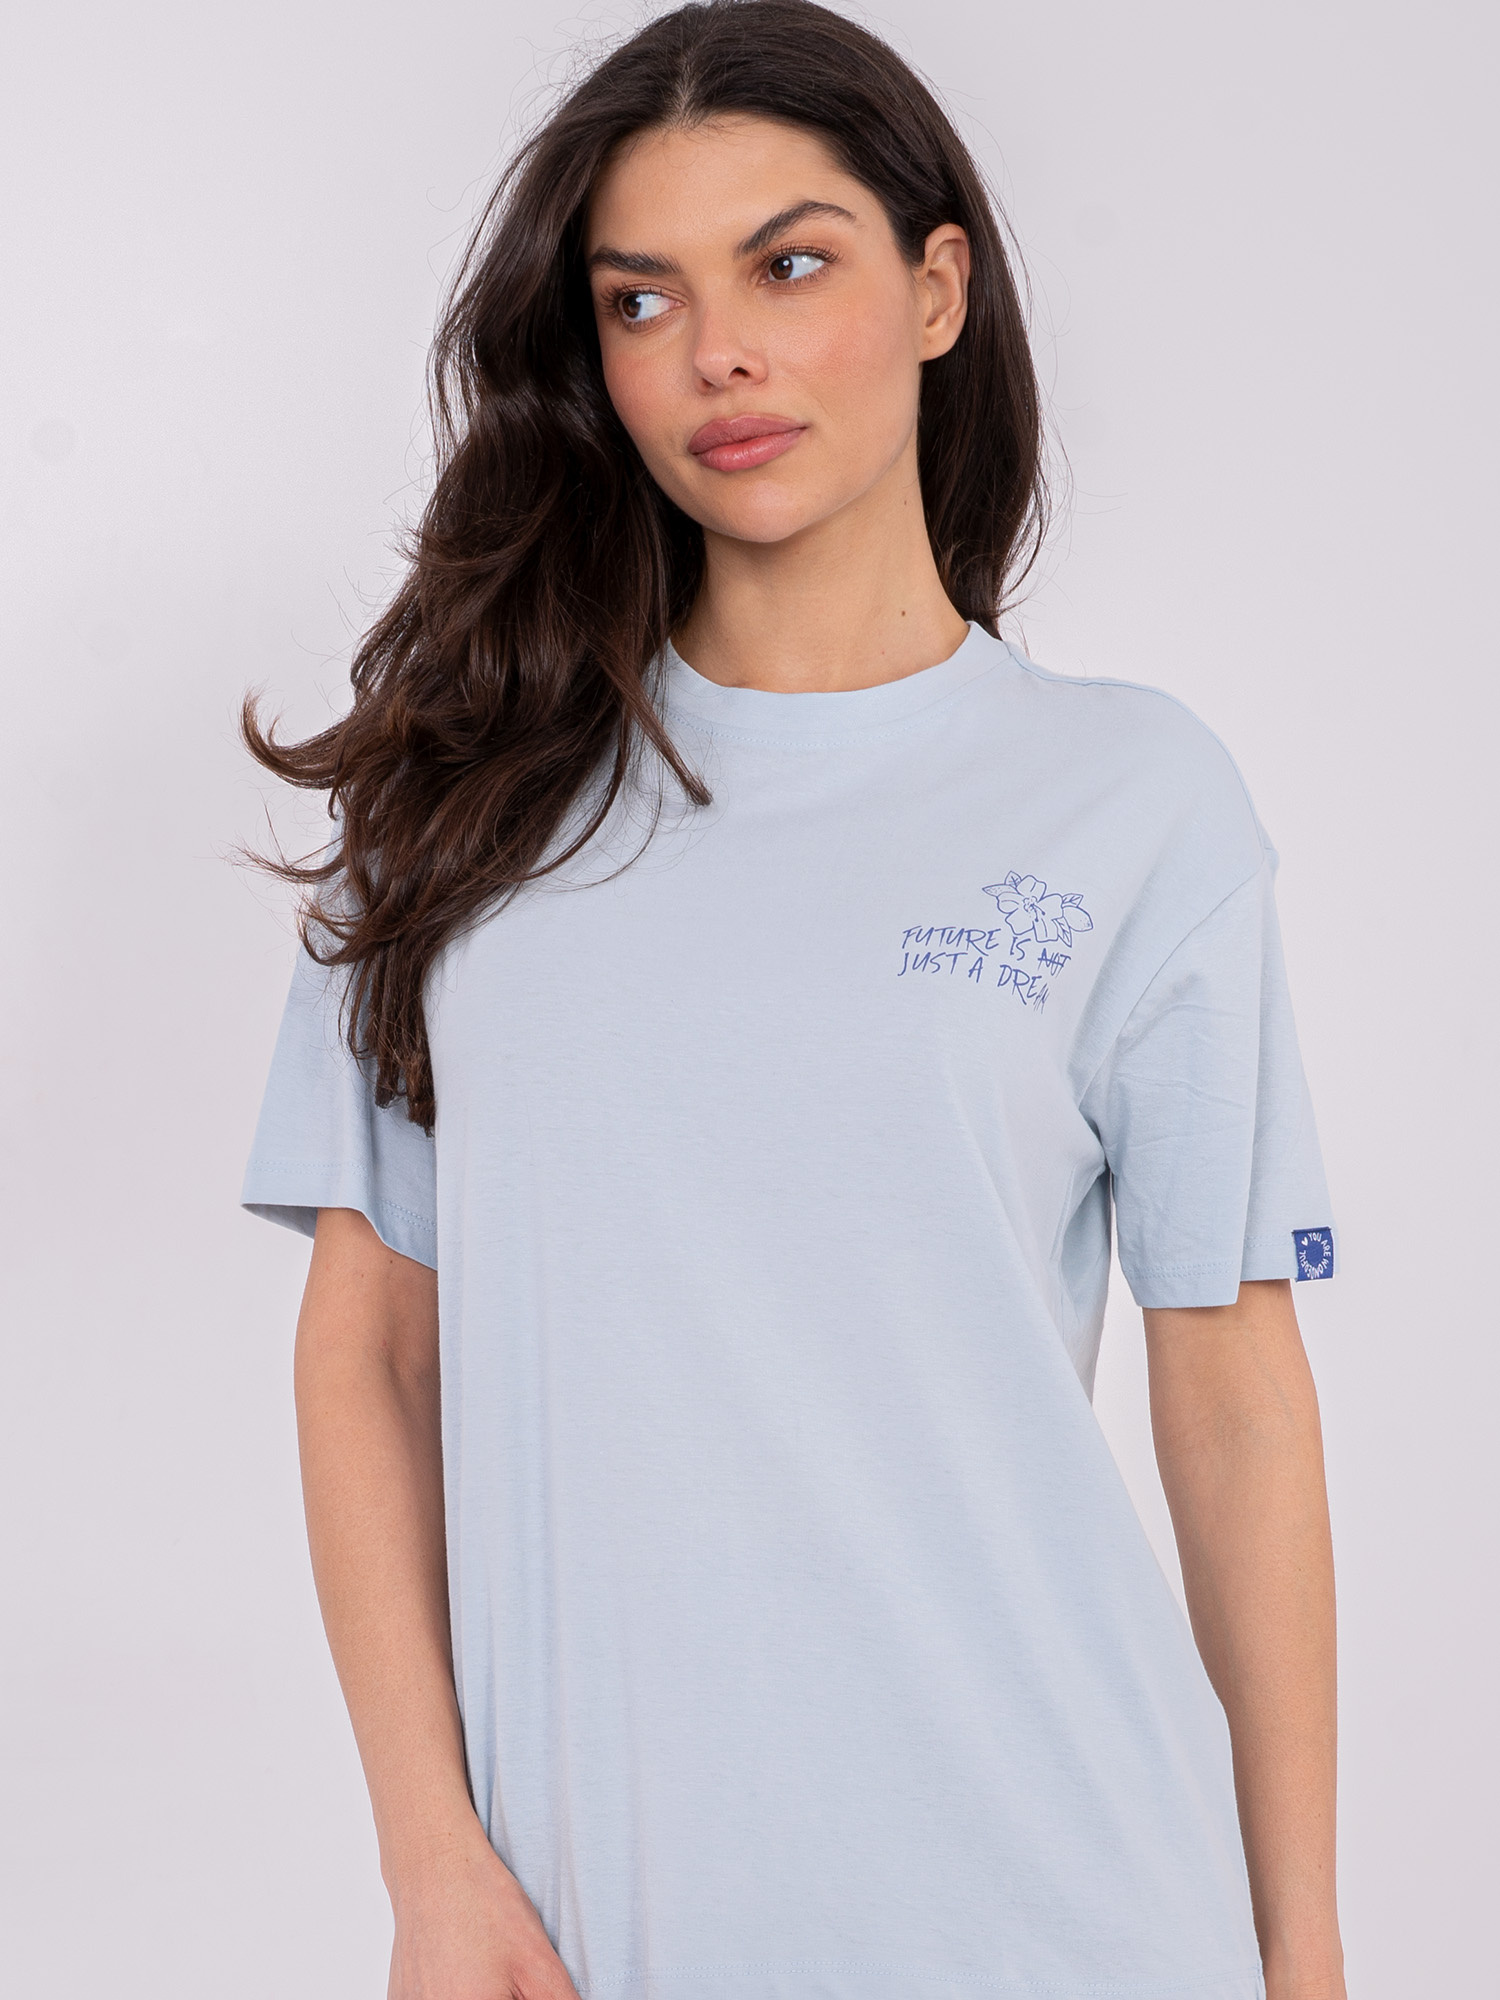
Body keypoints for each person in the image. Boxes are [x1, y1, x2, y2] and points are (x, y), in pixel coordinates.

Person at [240, 4, 1347, 1997]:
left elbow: (1237, 1392)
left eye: (790, 264)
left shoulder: (1134, 798)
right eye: (641, 298)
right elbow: (371, 1354)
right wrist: (431, 1865)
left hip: (1077, 1907)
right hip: (593, 1929)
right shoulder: (468, 797)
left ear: (938, 291)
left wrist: (1308, 1953)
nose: (718, 354)